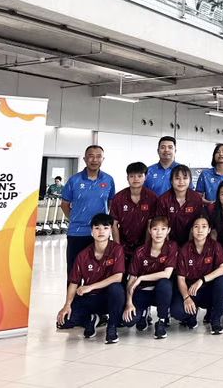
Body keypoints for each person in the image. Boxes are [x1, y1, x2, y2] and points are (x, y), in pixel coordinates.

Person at [56, 213, 125, 344]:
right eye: (97, 228)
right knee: (64, 321)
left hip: (109, 297)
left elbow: (118, 277)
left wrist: (90, 286)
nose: (101, 231)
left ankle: (111, 327)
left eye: (105, 228)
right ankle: (93, 318)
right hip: (91, 298)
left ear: (111, 230)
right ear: (91, 231)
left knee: (116, 289)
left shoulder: (117, 249)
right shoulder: (83, 255)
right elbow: (74, 282)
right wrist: (67, 305)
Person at [61, 145, 116, 276]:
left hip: (100, 233)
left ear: (103, 159)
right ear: (85, 159)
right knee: (74, 270)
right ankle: (73, 291)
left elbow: (111, 203)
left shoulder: (108, 180)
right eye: (91, 156)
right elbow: (64, 204)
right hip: (77, 233)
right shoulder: (74, 180)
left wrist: (102, 223)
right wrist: (75, 219)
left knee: (100, 270)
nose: (94, 160)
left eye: (98, 156)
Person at [171, 215, 223, 334]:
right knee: (177, 311)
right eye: (196, 227)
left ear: (209, 230)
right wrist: (186, 298)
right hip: (192, 291)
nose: (200, 230)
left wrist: (202, 280)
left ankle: (215, 320)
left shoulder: (215, 246)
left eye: (204, 227)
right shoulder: (184, 249)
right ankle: (191, 315)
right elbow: (181, 278)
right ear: (192, 230)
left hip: (209, 290)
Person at [122, 215, 177, 339]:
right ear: (149, 230)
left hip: (160, 292)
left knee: (165, 283)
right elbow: (131, 279)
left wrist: (142, 278)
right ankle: (144, 313)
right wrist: (129, 303)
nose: (159, 233)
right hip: (142, 292)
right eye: (155, 229)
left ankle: (161, 320)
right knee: (128, 321)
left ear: (168, 231)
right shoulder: (140, 251)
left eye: (163, 229)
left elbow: (167, 273)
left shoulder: (171, 247)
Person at [110, 162, 158, 268]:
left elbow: (151, 223)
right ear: (127, 178)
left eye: (139, 176)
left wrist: (146, 247)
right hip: (124, 245)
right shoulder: (118, 198)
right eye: (132, 176)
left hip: (145, 245)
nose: (135, 179)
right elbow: (114, 224)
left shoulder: (152, 197)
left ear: (145, 177)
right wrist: (118, 248)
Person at [155, 165, 205, 246]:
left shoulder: (196, 199)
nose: (181, 182)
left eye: (185, 178)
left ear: (190, 180)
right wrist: (168, 247)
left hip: (192, 242)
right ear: (171, 181)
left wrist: (190, 247)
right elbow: (161, 225)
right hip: (167, 242)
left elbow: (198, 224)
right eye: (177, 178)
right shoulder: (163, 199)